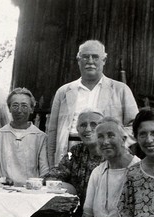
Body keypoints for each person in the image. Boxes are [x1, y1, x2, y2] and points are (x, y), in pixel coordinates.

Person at [46, 39, 138, 167]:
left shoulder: (120, 89)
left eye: (95, 57)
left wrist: (115, 144)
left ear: (104, 60)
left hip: (106, 155)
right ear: (78, 60)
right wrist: (52, 163)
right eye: (85, 57)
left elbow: (135, 126)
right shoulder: (63, 92)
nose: (90, 61)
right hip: (68, 155)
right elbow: (52, 131)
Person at [46, 109, 105, 217]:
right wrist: (68, 188)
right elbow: (55, 175)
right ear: (77, 130)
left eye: (93, 124)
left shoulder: (111, 152)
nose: (88, 129)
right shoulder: (76, 152)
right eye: (83, 125)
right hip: (77, 216)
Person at [80, 117, 141, 217]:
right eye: (100, 137)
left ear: (123, 140)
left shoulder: (139, 170)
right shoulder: (98, 172)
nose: (105, 142)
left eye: (110, 135)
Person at [0, 87, 49, 186]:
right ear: (9, 108)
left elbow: (44, 171)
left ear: (31, 109)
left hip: (29, 190)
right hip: (3, 189)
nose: (19, 110)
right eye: (15, 105)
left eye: (24, 106)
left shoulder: (40, 136)